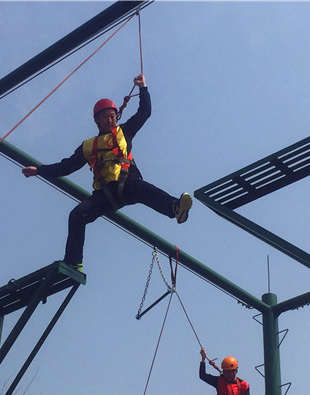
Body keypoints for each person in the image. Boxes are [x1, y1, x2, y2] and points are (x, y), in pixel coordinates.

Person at [22, 74, 192, 272]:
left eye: (112, 116)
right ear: (97, 120)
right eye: (105, 117)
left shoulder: (124, 131)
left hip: (128, 182)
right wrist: (39, 170)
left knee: (145, 190)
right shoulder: (88, 146)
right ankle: (73, 262)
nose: (110, 119)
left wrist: (143, 88)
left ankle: (176, 208)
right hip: (106, 194)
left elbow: (144, 112)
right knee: (77, 215)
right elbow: (66, 166)